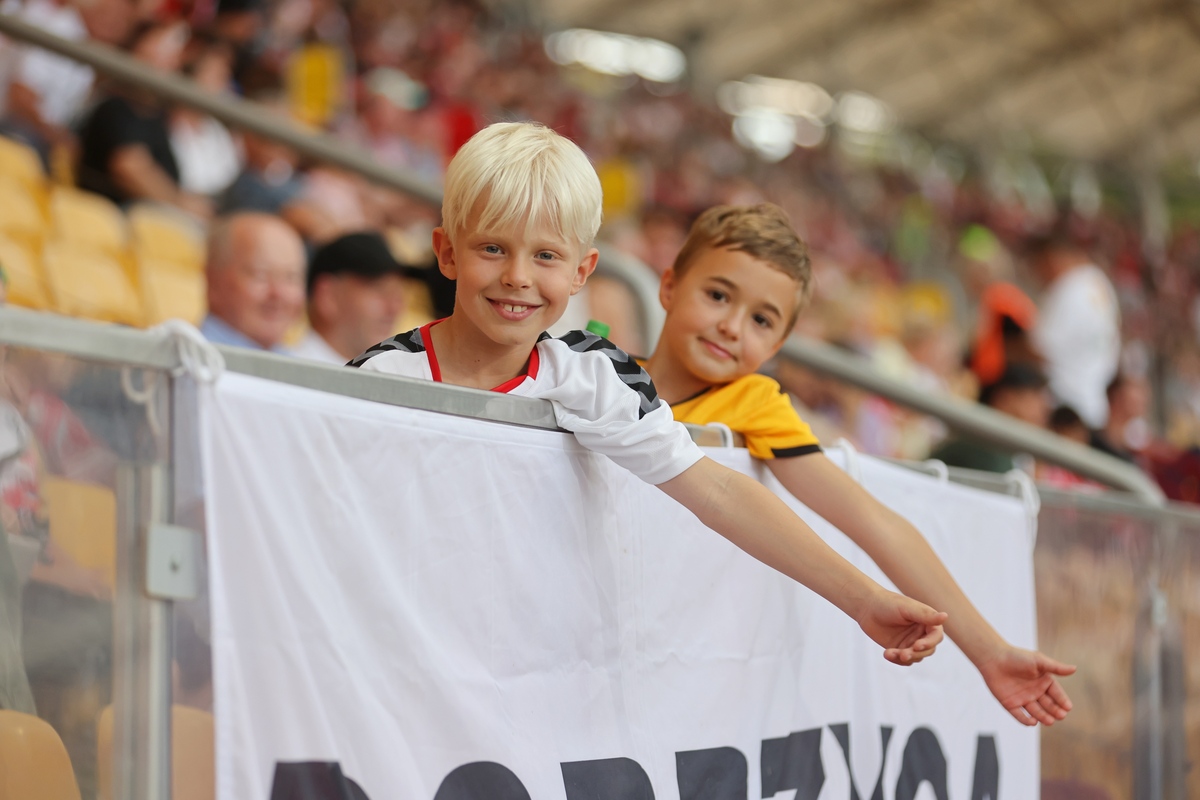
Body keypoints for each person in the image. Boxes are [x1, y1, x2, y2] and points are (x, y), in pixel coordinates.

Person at [351, 121, 948, 669]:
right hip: (396, 654)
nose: (518, 276)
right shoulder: (377, 378)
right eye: (492, 248)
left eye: (546, 256)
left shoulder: (592, 377)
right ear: (446, 252)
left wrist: (862, 600)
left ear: (582, 272)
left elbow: (715, 490)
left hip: (526, 666)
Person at [640, 203, 1075, 727]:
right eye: (717, 295)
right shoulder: (595, 374)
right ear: (669, 286)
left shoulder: (755, 405)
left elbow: (873, 521)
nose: (731, 326)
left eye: (761, 320)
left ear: (778, 343)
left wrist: (989, 650)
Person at [77, 21, 212, 218]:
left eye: (174, 54)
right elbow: (128, 167)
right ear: (138, 50)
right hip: (110, 217)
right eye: (163, 50)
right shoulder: (115, 107)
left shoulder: (156, 117)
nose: (172, 62)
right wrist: (180, 205)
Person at [1028, 230, 1120, 431]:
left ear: (1051, 259)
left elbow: (1040, 349)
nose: (1039, 277)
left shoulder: (1070, 286)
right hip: (1093, 405)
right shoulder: (1100, 284)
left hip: (1062, 407)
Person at [294, 231, 406, 364]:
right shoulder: (287, 373)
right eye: (379, 289)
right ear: (329, 296)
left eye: (396, 293)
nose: (394, 308)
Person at [200, 212, 306, 352]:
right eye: (260, 275)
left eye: (291, 278)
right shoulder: (187, 359)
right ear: (214, 281)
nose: (278, 293)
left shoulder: (293, 359)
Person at [930, 362, 1051, 474]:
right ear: (1005, 398)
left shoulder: (1009, 450)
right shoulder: (982, 444)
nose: (1042, 409)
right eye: (1035, 397)